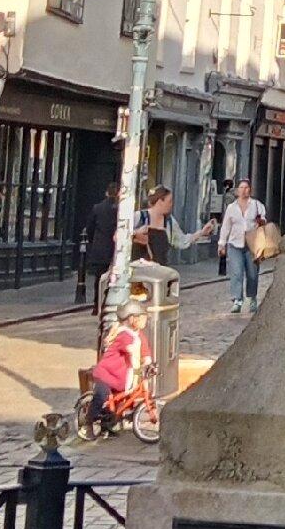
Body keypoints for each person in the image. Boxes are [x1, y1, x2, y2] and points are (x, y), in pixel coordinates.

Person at [86, 299, 150, 431]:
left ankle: (110, 424)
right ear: (132, 319)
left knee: (122, 400)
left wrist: (149, 361)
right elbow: (131, 348)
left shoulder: (137, 334)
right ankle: (88, 422)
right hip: (107, 373)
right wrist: (138, 358)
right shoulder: (123, 334)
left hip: (121, 375)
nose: (145, 321)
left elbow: (144, 348)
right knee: (101, 397)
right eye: (142, 318)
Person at [217, 179, 269, 315]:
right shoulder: (231, 208)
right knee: (237, 272)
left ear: (250, 190)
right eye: (241, 187)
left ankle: (252, 298)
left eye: (246, 187)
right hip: (235, 244)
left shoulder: (257, 205)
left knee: (252, 274)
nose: (244, 190)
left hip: (252, 245)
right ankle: (237, 300)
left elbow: (263, 219)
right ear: (237, 190)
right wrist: (221, 244)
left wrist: (261, 221)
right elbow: (226, 226)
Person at [142, 187, 214, 268]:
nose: (171, 204)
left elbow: (182, 240)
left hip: (161, 272)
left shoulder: (169, 222)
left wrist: (202, 232)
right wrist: (136, 234)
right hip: (140, 272)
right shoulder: (139, 218)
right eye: (169, 201)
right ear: (160, 202)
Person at [80, 182, 122, 304]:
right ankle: (111, 301)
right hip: (116, 248)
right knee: (116, 277)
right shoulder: (121, 209)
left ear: (106, 193)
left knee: (99, 277)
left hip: (100, 247)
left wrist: (94, 242)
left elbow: (89, 228)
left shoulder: (97, 208)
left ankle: (97, 303)